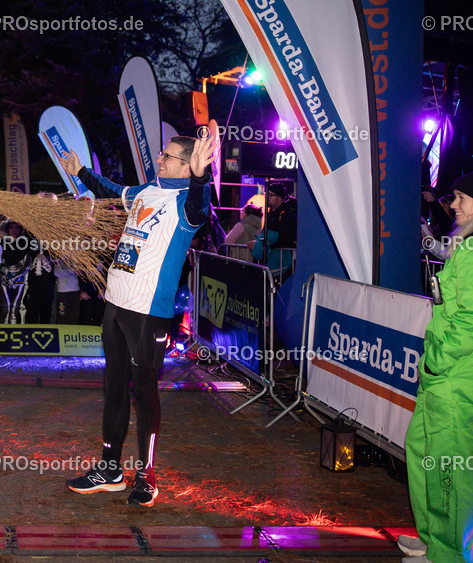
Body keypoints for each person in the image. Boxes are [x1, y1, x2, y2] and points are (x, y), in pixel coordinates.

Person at [61, 125, 216, 507]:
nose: (159, 158)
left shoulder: (187, 203)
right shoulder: (147, 191)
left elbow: (201, 205)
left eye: (167, 156)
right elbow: (112, 189)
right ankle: (109, 470)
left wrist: (200, 178)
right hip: (115, 303)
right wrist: (81, 172)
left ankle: (146, 476)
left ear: (186, 166)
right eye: (162, 153)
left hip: (147, 313)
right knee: (114, 389)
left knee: (144, 393)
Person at [400, 170, 473, 563]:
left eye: (461, 198)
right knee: (423, 451)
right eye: (454, 197)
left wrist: (437, 360)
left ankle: (449, 554)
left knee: (449, 465)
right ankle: (434, 539)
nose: (453, 205)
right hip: (451, 369)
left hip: (459, 369)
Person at [249, 182, 297, 276]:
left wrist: (260, 244)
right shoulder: (270, 214)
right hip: (270, 260)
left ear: (279, 198)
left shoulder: (287, 215)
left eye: (271, 195)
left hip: (281, 261)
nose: (267, 198)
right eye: (266, 195)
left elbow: (285, 237)